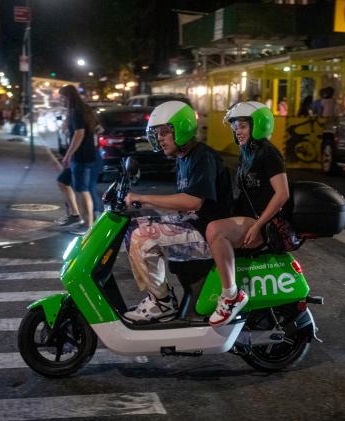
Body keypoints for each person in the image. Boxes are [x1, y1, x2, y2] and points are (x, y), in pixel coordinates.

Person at [123, 100, 233, 323]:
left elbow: (192, 202)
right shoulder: (184, 157)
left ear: (181, 128)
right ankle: (161, 296)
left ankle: (162, 304)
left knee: (142, 237)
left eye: (165, 132)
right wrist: (145, 206)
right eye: (157, 133)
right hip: (195, 224)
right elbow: (181, 202)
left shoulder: (202, 157)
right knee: (134, 227)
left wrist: (143, 198)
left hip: (208, 234)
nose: (160, 138)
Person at [205, 101, 289, 327]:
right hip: (249, 218)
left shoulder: (269, 154)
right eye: (235, 127)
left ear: (258, 125)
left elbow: (282, 194)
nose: (237, 131)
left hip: (265, 225)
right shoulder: (248, 152)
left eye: (242, 126)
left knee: (215, 230)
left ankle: (231, 296)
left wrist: (257, 226)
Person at [55, 85, 100, 233]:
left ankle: (88, 225)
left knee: (82, 189)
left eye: (62, 97)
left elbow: (79, 133)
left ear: (69, 97)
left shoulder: (76, 111)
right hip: (83, 154)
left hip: (81, 156)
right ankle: (75, 215)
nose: (60, 100)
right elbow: (98, 128)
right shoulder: (83, 109)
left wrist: (68, 155)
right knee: (62, 181)